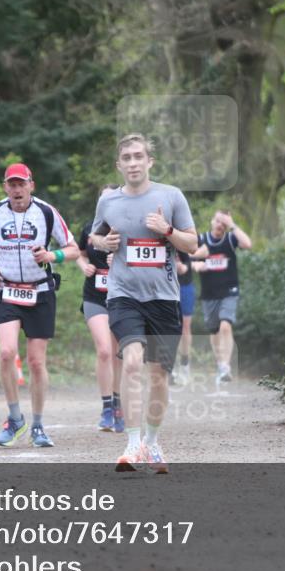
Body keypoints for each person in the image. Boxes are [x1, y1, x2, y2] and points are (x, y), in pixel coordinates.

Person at [91, 133, 197, 473]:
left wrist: (166, 230)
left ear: (150, 161)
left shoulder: (171, 196)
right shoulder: (108, 200)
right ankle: (132, 443)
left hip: (164, 298)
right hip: (124, 295)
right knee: (132, 361)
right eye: (127, 158)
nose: (133, 163)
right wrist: (104, 242)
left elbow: (192, 244)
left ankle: (151, 443)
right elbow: (94, 236)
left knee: (159, 377)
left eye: (139, 157)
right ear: (119, 165)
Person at [0, 163, 79, 449]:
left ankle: (39, 425)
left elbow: (73, 248)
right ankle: (15, 418)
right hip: (6, 290)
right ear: (5, 187)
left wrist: (51, 254)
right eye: (12, 184)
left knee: (36, 361)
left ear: (32, 184)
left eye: (22, 184)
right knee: (7, 353)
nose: (17, 189)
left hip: (40, 292)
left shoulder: (46, 212)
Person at [77, 186, 125, 433]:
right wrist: (83, 265)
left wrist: (119, 262)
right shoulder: (89, 228)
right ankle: (107, 407)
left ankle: (118, 405)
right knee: (105, 350)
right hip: (94, 297)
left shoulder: (126, 227)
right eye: (102, 197)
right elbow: (79, 253)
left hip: (121, 298)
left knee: (118, 354)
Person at [191, 209, 252, 387]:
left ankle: (226, 366)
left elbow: (247, 244)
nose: (219, 225)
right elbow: (185, 256)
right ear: (211, 221)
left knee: (226, 325)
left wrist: (233, 225)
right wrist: (196, 264)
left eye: (223, 222)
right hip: (209, 293)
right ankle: (220, 364)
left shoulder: (231, 239)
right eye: (217, 221)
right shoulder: (202, 240)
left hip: (229, 290)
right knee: (214, 330)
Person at [172, 249, 194, 386]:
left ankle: (185, 365)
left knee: (185, 328)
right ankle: (170, 366)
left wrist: (182, 267)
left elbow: (187, 264)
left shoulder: (182, 236)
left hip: (184, 286)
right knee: (169, 328)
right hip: (164, 287)